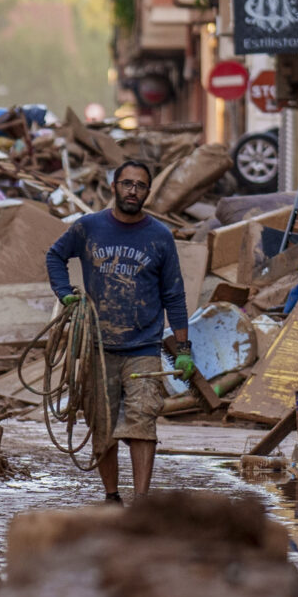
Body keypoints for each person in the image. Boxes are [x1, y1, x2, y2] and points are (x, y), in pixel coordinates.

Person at [44, 159, 191, 504]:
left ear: (148, 193)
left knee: (143, 423)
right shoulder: (88, 228)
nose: (132, 191)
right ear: (114, 186)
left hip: (143, 348)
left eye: (140, 186)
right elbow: (55, 256)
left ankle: (141, 500)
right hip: (98, 346)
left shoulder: (160, 236)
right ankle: (112, 497)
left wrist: (183, 349)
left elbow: (175, 295)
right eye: (127, 184)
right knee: (101, 426)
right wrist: (65, 293)